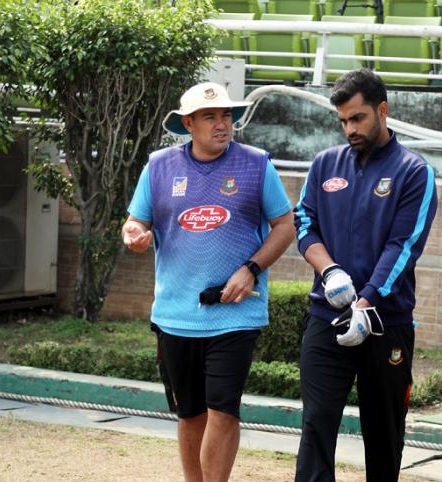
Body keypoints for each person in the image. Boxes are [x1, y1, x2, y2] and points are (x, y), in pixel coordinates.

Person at [122, 81, 295, 482]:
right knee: (190, 413)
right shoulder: (159, 166)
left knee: (223, 408)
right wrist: (133, 233)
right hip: (176, 313)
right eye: (210, 116)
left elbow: (285, 225)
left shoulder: (256, 164)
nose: (222, 124)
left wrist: (251, 269)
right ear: (188, 123)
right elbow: (136, 220)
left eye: (226, 115)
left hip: (235, 312)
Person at [292, 69, 438, 482]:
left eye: (357, 118)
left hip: (384, 324)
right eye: (343, 121)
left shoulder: (414, 171)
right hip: (327, 317)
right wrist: (329, 270)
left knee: (383, 435)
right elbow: (305, 223)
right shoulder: (324, 165)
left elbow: (404, 246)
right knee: (316, 424)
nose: (349, 129)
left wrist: (368, 300)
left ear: (383, 110)